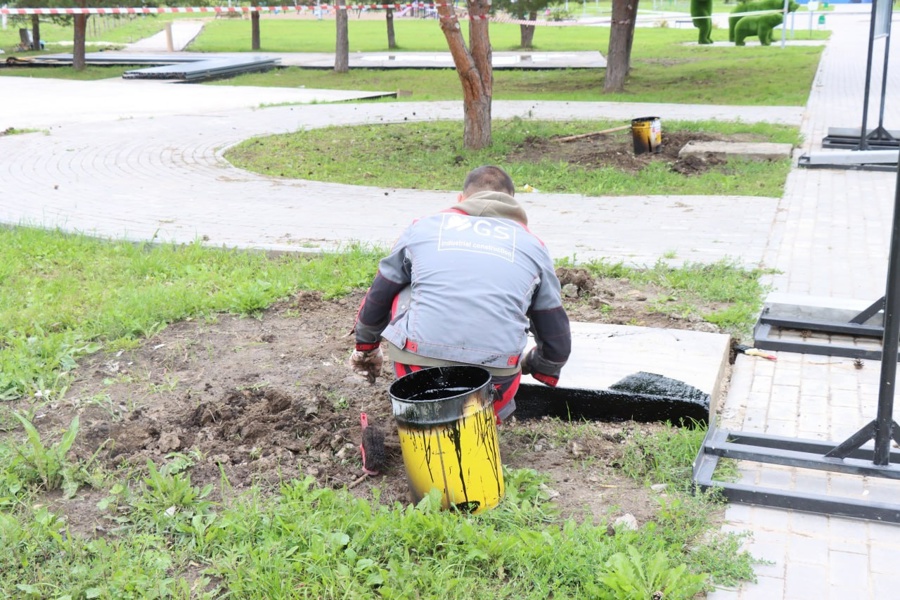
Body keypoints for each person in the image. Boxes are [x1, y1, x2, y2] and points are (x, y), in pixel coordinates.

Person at [349, 165, 571, 422]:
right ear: (513, 203)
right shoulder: (534, 246)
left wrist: (366, 347)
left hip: (416, 372)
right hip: (495, 383)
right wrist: (537, 364)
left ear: (461, 199)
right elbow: (555, 332)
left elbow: (379, 294)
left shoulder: (423, 228)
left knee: (404, 281)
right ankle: (485, 420)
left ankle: (420, 412)